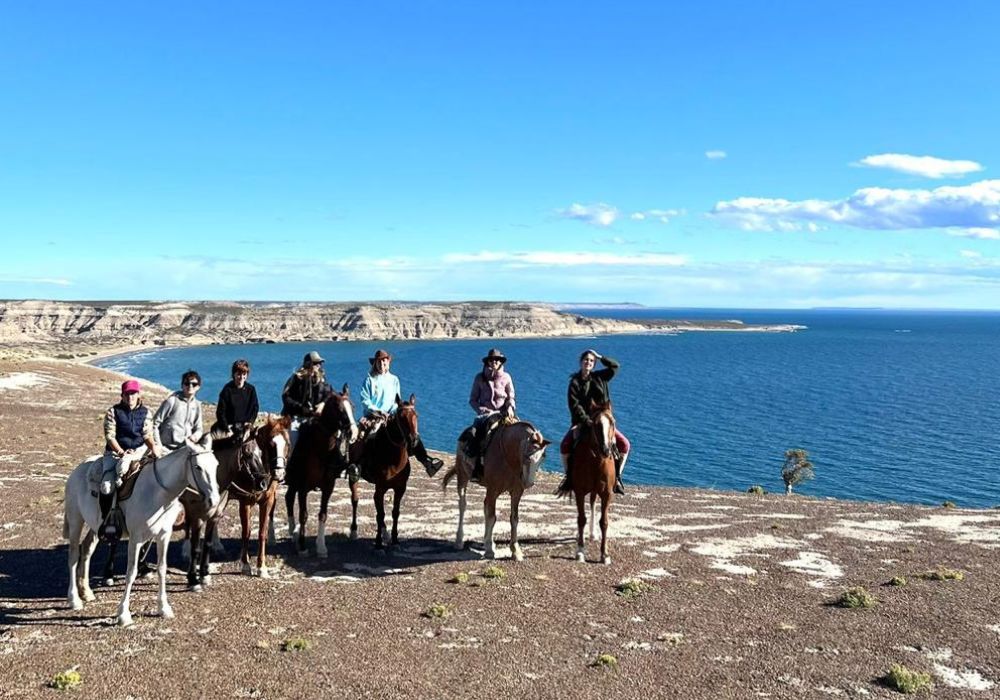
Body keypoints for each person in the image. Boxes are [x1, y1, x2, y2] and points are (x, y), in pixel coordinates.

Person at [354, 349, 444, 477]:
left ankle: (426, 461)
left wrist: (397, 410)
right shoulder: (370, 380)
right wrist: (378, 411)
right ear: (375, 364)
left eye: (384, 361)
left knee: (411, 433)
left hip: (391, 415)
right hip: (374, 415)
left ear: (388, 362)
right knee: (368, 435)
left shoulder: (394, 380)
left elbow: (397, 400)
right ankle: (359, 465)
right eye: (379, 362)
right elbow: (365, 400)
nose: (382, 364)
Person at [560, 349, 631, 495]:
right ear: (581, 362)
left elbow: (615, 366)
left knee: (624, 444)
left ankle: (616, 477)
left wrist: (600, 356)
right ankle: (569, 478)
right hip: (582, 422)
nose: (588, 362)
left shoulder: (600, 377)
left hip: (603, 422)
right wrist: (587, 421)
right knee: (565, 445)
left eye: (592, 361)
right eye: (586, 360)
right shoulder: (574, 382)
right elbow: (574, 405)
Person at [100, 379, 156, 540]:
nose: (130, 397)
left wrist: (154, 449)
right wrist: (121, 452)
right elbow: (110, 436)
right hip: (114, 454)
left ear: (139, 395)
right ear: (122, 396)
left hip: (138, 452)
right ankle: (107, 520)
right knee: (106, 486)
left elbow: (147, 435)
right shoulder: (113, 412)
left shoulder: (146, 413)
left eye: (133, 393)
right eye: (127, 394)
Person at [465, 348, 516, 483]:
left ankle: (518, 469)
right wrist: (481, 410)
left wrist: (510, 407)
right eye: (491, 360)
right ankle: (477, 468)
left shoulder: (506, 377)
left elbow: (511, 396)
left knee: (519, 434)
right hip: (485, 414)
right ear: (487, 362)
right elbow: (473, 400)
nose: (494, 362)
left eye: (497, 360)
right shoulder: (479, 378)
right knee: (474, 435)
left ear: (500, 362)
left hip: (503, 413)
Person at [281, 350, 333, 449]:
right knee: (294, 443)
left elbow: (329, 393)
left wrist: (323, 404)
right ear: (309, 364)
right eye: (316, 363)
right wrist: (300, 407)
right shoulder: (296, 379)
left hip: (314, 418)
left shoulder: (322, 380)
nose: (319, 365)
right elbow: (286, 397)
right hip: (296, 418)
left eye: (320, 363)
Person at [152, 370, 205, 452]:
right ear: (182, 385)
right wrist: (158, 445)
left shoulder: (197, 405)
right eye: (187, 383)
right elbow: (154, 424)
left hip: (185, 448)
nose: (190, 386)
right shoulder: (172, 401)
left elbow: (199, 428)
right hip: (166, 448)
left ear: (198, 387)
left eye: (194, 384)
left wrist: (195, 436)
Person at [212, 359, 260, 440]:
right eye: (239, 374)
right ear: (233, 374)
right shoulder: (227, 390)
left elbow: (255, 408)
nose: (241, 377)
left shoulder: (251, 389)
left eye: (244, 374)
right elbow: (220, 412)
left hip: (245, 427)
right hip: (229, 427)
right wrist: (226, 428)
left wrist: (250, 423)